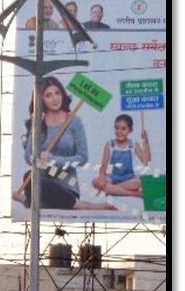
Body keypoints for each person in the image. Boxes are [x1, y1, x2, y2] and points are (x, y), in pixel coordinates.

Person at [12, 76, 115, 212]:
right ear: (41, 99)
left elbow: (82, 158)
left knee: (40, 193)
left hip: (66, 188)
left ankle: (85, 205)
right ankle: (30, 200)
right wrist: (35, 126)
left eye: (57, 93)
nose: (55, 99)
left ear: (62, 94)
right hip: (41, 186)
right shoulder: (38, 122)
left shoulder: (74, 121)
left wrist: (53, 159)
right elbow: (28, 158)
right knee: (29, 176)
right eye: (48, 95)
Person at [93, 114, 151, 198]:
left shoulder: (133, 144)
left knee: (141, 181)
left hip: (129, 177)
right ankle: (135, 194)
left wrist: (146, 141)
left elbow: (146, 161)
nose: (119, 131)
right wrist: (101, 177)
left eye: (123, 129)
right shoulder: (110, 144)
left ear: (130, 130)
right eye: (117, 128)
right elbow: (104, 164)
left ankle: (111, 190)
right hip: (112, 177)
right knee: (96, 182)